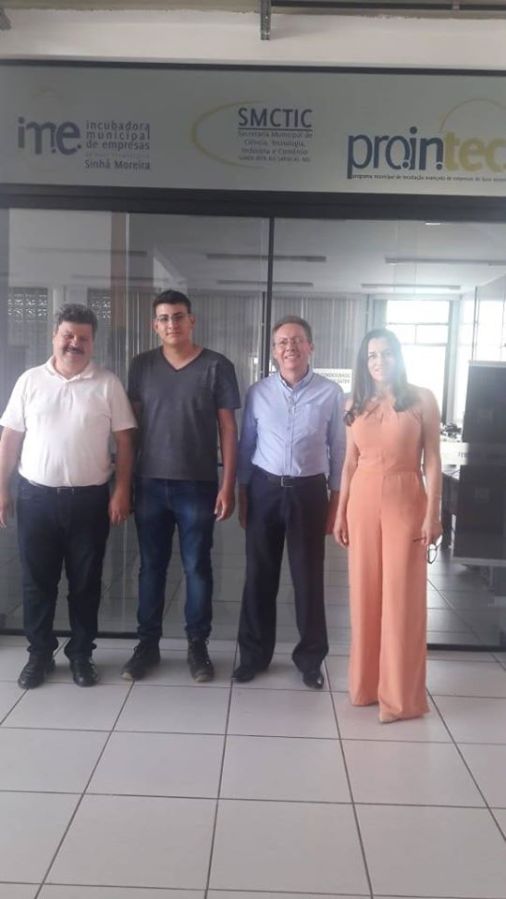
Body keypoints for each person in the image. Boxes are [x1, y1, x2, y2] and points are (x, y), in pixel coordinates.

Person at [0, 304, 136, 689]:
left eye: (83, 338)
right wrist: (2, 489)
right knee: (37, 583)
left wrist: (122, 490)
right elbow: (10, 438)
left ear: (93, 343)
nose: (75, 343)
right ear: (55, 336)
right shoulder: (29, 381)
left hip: (89, 501)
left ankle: (81, 655)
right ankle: (39, 655)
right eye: (68, 335)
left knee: (86, 583)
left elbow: (125, 441)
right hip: (35, 499)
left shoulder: (107, 384)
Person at [122, 289, 240, 683]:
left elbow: (228, 429)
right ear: (154, 325)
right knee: (150, 569)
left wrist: (228, 484)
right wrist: (124, 483)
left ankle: (197, 646)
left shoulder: (216, 366)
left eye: (178, 316)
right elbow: (131, 429)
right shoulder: (141, 366)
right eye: (164, 318)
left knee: (197, 568)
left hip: (198, 485)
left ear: (192, 321)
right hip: (150, 484)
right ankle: (147, 645)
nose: (171, 323)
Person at [334, 328, 442, 723]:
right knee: (364, 593)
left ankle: (400, 698)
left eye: (386, 353)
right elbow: (349, 462)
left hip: (405, 496)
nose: (379, 361)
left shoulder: (422, 399)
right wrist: (340, 511)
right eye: (372, 356)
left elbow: (433, 460)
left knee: (401, 597)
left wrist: (433, 513)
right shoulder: (354, 403)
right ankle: (365, 686)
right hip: (362, 500)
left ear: (399, 356)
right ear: (364, 363)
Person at [233, 315, 345, 689]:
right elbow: (246, 446)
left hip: (309, 493)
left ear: (310, 347)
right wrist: (243, 492)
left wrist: (336, 501)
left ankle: (310, 660)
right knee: (258, 576)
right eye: (282, 342)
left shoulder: (331, 394)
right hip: (264, 490)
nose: (290, 347)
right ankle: (253, 656)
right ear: (274, 351)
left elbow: (340, 450)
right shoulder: (258, 393)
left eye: (297, 340)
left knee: (308, 579)